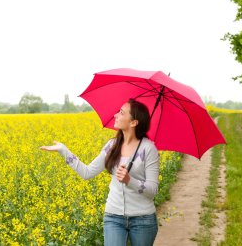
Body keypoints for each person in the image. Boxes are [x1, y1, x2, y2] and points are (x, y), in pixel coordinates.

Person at [40, 98, 159, 246]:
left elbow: (153, 190)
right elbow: (87, 172)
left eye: (121, 113)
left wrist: (130, 181)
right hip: (113, 216)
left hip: (143, 219)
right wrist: (64, 151)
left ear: (133, 122)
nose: (116, 115)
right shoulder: (111, 146)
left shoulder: (149, 149)